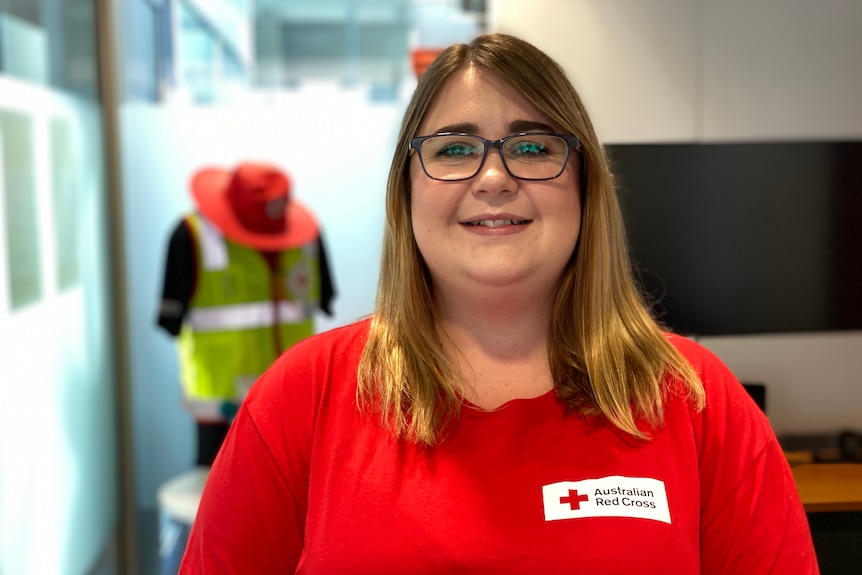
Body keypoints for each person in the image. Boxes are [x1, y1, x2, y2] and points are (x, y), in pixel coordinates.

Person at [179, 34, 818, 573]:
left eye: (533, 146)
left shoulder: (698, 402)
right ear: (407, 191)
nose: (493, 178)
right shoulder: (299, 399)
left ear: (586, 184)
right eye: (454, 148)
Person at [157, 162, 335, 466]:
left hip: (293, 400)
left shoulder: (308, 238)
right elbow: (170, 321)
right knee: (218, 500)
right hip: (220, 411)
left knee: (292, 499)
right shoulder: (191, 236)